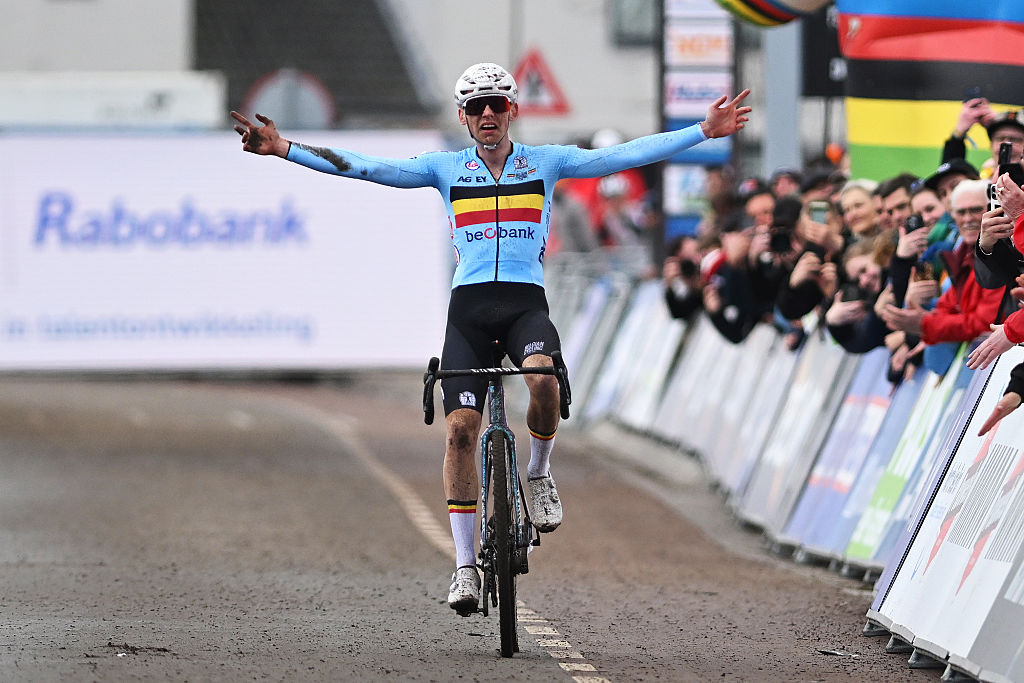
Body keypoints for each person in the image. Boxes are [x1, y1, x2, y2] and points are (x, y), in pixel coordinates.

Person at [230, 62, 751, 615]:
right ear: (462, 116)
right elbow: (365, 168)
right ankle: (464, 567)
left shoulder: (546, 162)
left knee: (544, 380)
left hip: (526, 306)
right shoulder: (445, 168)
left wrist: (701, 132)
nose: (486, 114)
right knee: (460, 429)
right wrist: (285, 148)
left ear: (512, 111)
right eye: (475, 106)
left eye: (496, 104)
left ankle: (539, 473)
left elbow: (622, 157)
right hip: (470, 314)